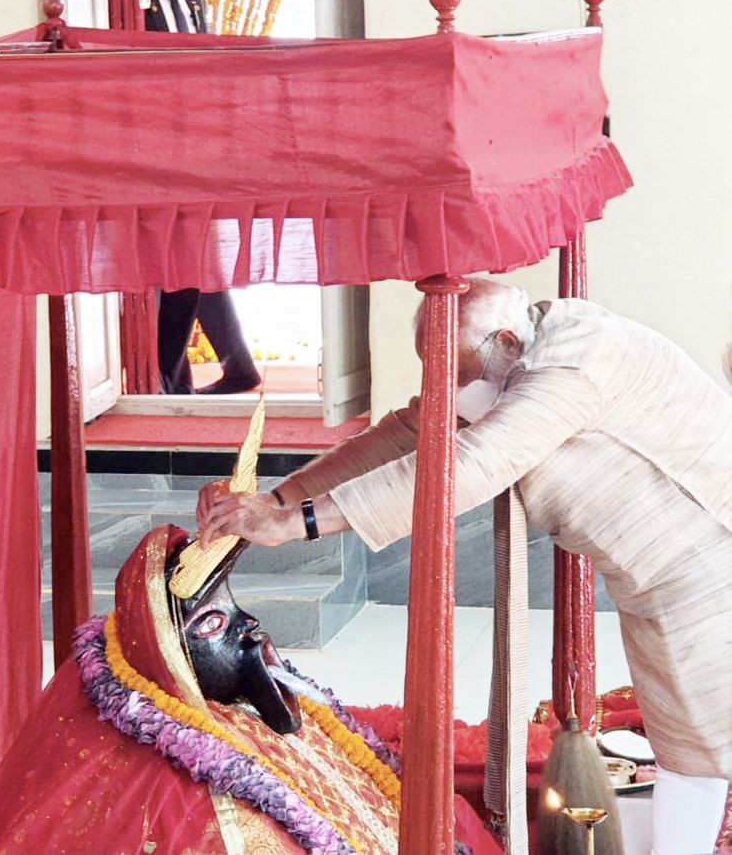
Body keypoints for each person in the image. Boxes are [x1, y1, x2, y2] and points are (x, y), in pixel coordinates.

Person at [199, 278, 732, 855]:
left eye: (459, 370)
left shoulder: (576, 358)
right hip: (657, 580)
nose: (453, 390)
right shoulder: (508, 357)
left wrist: (295, 523)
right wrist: (281, 500)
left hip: (709, 558)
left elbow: (470, 466)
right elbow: (412, 432)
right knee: (691, 749)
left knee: (709, 743)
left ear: (504, 341)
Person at [0, 525, 496, 855]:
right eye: (214, 624)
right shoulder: (191, 806)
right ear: (170, 662)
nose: (249, 625)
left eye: (233, 606)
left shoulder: (252, 713)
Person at [144, 0, 261, 395]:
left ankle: (180, 380)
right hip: (150, 150)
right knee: (175, 264)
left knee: (191, 262)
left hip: (194, 148)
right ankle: (179, 380)